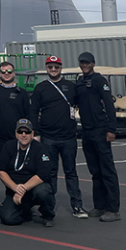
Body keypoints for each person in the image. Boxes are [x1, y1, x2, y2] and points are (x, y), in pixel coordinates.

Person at [29, 56, 88, 219]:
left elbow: (82, 103)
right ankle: (49, 207)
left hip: (69, 136)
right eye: (50, 67)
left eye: (56, 67)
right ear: (46, 68)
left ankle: (77, 206)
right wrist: (35, 132)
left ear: (61, 68)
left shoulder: (71, 86)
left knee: (71, 172)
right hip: (48, 137)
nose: (53, 70)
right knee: (50, 173)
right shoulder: (41, 88)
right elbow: (33, 111)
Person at [76, 52, 121, 222]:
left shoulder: (99, 81)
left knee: (107, 170)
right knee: (94, 170)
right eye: (82, 62)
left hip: (101, 130)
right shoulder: (80, 82)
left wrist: (112, 129)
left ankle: (113, 208)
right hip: (86, 131)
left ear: (93, 63)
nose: (85, 65)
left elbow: (109, 105)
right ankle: (99, 205)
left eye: (87, 62)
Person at [0, 119, 55, 227]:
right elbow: (1, 171)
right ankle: (25, 210)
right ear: (16, 133)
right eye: (20, 132)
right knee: (7, 218)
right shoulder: (8, 146)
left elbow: (44, 174)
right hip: (14, 189)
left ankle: (48, 215)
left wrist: (23, 188)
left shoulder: (40, 148)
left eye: (27, 132)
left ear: (32, 134)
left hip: (34, 188)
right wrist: (15, 188)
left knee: (44, 191)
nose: (24, 135)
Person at [0, 61, 30, 158]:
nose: (6, 73)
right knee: (2, 165)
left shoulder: (22, 93)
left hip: (19, 136)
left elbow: (28, 113)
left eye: (9, 71)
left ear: (14, 73)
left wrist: (29, 133)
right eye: (3, 72)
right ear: (0, 74)